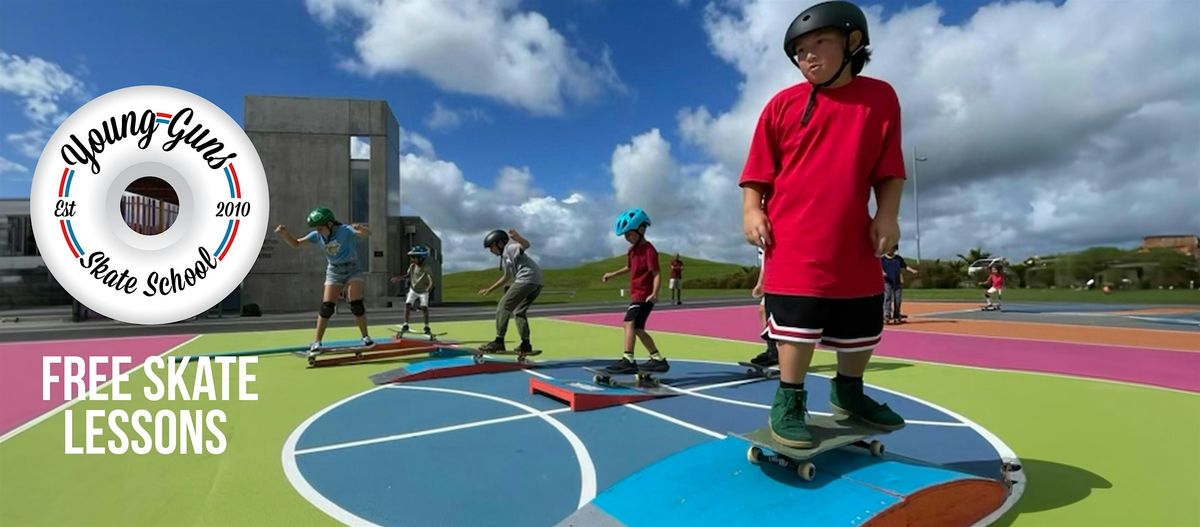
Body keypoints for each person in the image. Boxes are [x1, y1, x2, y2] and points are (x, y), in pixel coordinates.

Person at [739, 1, 907, 448]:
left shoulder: (881, 97)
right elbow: (757, 171)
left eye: (819, 43)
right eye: (799, 50)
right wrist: (752, 210)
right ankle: (790, 399)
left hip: (854, 237)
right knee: (798, 326)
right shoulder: (781, 105)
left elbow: (889, 169)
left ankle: (849, 392)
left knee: (862, 323)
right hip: (793, 238)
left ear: (853, 42)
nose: (807, 56)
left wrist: (886, 214)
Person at [275, 207, 373, 355]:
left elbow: (367, 234)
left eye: (321, 227)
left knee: (356, 304)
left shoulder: (345, 231)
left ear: (330, 224)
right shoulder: (316, 235)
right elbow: (296, 244)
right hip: (334, 270)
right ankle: (317, 341)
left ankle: (365, 337)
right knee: (327, 307)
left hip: (353, 268)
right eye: (317, 228)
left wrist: (362, 228)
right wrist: (285, 235)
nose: (318, 231)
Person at [601, 208, 670, 375]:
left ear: (641, 229)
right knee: (638, 328)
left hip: (644, 296)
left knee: (628, 322)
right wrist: (612, 274)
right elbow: (629, 267)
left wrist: (654, 293)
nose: (627, 238)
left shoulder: (649, 250)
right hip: (636, 294)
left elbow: (656, 273)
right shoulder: (632, 250)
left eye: (629, 234)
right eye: (625, 236)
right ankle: (658, 359)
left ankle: (628, 360)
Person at [477, 229, 542, 354]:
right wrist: (490, 289)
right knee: (519, 312)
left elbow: (526, 245)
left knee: (503, 306)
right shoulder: (505, 258)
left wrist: (517, 237)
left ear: (500, 244)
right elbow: (506, 278)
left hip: (527, 278)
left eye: (491, 247)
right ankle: (525, 344)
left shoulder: (510, 248)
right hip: (537, 282)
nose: (490, 251)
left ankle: (499, 342)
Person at [391, 244, 434, 335]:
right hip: (413, 290)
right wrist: (398, 278)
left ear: (421, 257)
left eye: (414, 257)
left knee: (424, 307)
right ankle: (406, 324)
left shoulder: (427, 268)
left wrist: (429, 288)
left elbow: (430, 279)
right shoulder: (412, 266)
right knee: (408, 304)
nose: (412, 259)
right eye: (412, 257)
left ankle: (426, 326)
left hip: (423, 291)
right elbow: (407, 276)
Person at [749, 246, 779, 367]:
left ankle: (779, 352)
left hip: (784, 276)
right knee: (763, 310)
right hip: (772, 277)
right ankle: (772, 351)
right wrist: (760, 283)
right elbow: (765, 263)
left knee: (780, 315)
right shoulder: (761, 241)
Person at [880, 245, 918, 323]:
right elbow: (879, 268)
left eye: (891, 248)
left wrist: (912, 270)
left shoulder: (898, 258)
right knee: (887, 298)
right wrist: (882, 272)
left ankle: (896, 315)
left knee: (898, 299)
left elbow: (905, 266)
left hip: (897, 282)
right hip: (887, 281)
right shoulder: (882, 259)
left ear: (895, 249)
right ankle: (886, 315)